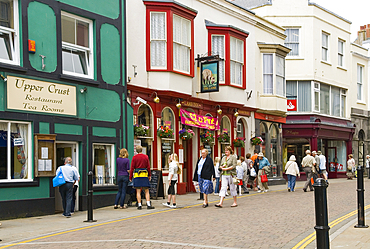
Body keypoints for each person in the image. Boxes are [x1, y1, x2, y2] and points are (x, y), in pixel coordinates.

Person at [129, 145, 155, 209]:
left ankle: (139, 205)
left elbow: (132, 168)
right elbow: (148, 167)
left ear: (136, 151)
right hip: (144, 175)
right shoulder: (146, 157)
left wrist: (130, 177)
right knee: (146, 191)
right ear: (142, 150)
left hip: (137, 175)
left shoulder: (134, 158)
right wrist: (149, 175)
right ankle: (148, 204)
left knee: (138, 191)